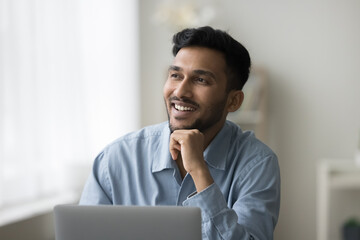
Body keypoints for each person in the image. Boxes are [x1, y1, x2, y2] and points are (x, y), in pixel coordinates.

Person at [79, 26, 280, 239]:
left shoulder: (257, 164)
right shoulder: (115, 159)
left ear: (233, 101)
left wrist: (200, 173)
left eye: (200, 80)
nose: (180, 92)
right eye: (176, 75)